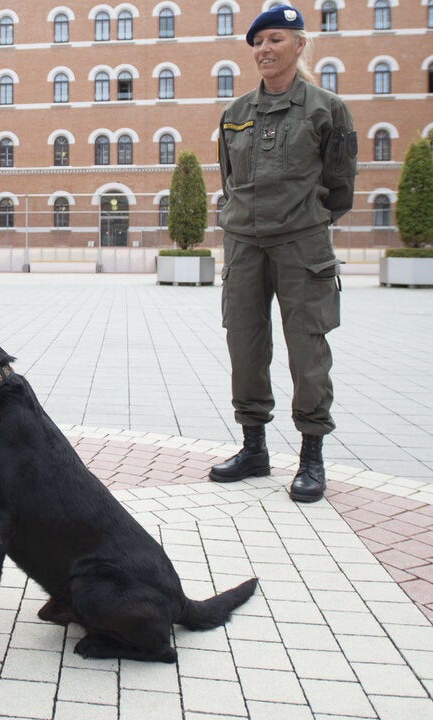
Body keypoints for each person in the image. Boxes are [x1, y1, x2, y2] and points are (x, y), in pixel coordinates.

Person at [210, 5, 357, 503]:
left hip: (302, 244)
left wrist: (307, 220)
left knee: (308, 349)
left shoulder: (326, 109)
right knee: (245, 345)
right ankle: (254, 448)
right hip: (244, 244)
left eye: (275, 39)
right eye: (257, 42)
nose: (264, 49)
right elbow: (230, 180)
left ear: (299, 45)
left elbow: (340, 186)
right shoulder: (235, 114)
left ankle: (311, 456)